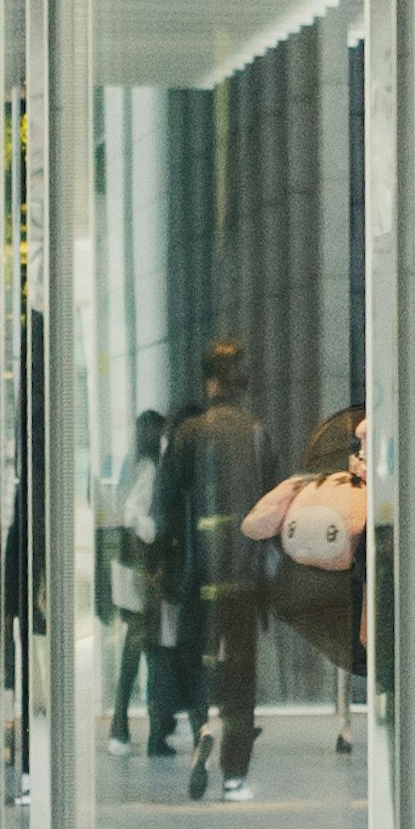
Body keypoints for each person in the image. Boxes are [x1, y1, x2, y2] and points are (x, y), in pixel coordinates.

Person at [162, 340, 275, 798]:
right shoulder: (257, 433)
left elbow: (167, 502)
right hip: (245, 576)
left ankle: (202, 727)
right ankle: (235, 773)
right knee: (241, 670)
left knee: (199, 660)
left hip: (198, 574)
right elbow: (273, 507)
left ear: (209, 382)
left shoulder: (189, 434)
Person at [104, 407, 168, 751]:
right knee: (141, 646)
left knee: (137, 645)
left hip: (129, 568)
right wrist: (155, 531)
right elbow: (133, 515)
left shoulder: (133, 466)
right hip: (141, 570)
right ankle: (127, 726)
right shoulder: (149, 469)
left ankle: (133, 724)